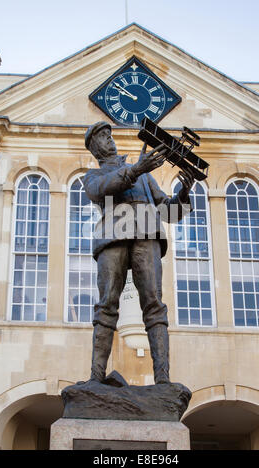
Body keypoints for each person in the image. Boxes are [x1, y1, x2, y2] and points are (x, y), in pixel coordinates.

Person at [83, 121, 194, 385]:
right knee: (106, 305)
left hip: (146, 230)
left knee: (154, 304)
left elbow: (169, 211)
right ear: (93, 148)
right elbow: (100, 190)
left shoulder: (143, 174)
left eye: (109, 135)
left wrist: (184, 193)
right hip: (114, 233)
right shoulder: (94, 175)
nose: (108, 140)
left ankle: (163, 379)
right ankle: (96, 377)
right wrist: (135, 170)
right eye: (101, 137)